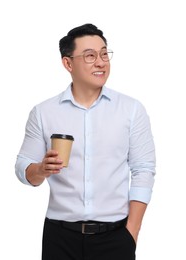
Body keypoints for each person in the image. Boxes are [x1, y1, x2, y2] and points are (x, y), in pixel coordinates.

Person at [15, 23, 156, 260]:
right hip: (59, 237)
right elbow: (22, 168)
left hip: (115, 237)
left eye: (104, 54)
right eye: (90, 56)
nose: (101, 62)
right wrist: (40, 170)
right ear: (68, 63)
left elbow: (143, 170)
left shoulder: (131, 110)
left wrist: (132, 232)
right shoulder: (43, 112)